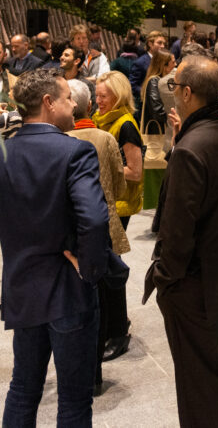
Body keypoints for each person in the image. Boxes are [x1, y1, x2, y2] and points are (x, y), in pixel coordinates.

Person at [0, 70, 111, 427]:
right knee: (73, 400)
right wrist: (92, 268)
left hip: (22, 288)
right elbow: (95, 219)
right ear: (49, 104)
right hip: (68, 290)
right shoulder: (76, 151)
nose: (74, 105)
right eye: (68, 98)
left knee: (23, 388)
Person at [143, 56, 218, 428]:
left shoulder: (191, 148)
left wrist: (165, 279)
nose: (172, 95)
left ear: (187, 93)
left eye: (174, 88)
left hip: (194, 286)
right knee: (214, 374)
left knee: (196, 385)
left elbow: (177, 230)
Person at [66, 78, 131, 398]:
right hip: (104, 221)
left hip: (67, 231)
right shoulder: (104, 138)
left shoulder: (59, 139)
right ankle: (106, 348)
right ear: (88, 105)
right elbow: (120, 186)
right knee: (103, 290)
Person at [92, 70, 142, 362]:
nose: (98, 101)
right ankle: (115, 323)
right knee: (109, 263)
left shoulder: (125, 125)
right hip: (106, 200)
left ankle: (118, 332)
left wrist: (100, 166)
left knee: (112, 266)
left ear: (119, 97)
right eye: (96, 95)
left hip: (119, 204)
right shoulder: (103, 120)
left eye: (104, 96)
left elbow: (135, 172)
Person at [140, 48, 173, 135]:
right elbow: (157, 111)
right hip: (157, 134)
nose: (176, 64)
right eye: (173, 62)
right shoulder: (154, 81)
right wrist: (174, 116)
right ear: (164, 66)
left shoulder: (163, 80)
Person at [128, 30, 167, 101]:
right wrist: (147, 92)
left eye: (163, 43)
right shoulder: (140, 62)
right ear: (150, 44)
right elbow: (132, 85)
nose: (163, 46)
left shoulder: (164, 61)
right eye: (159, 43)